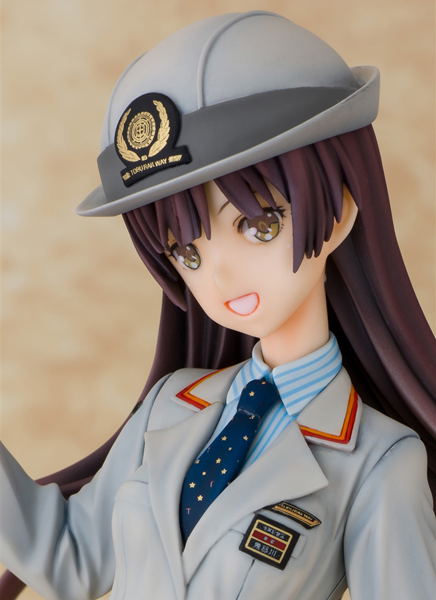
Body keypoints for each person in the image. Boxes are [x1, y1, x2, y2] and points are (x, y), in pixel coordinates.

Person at [1, 10, 435, 600]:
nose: (221, 276)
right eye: (187, 251)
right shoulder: (169, 406)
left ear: (340, 211)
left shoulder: (380, 460)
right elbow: (74, 562)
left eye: (258, 225)